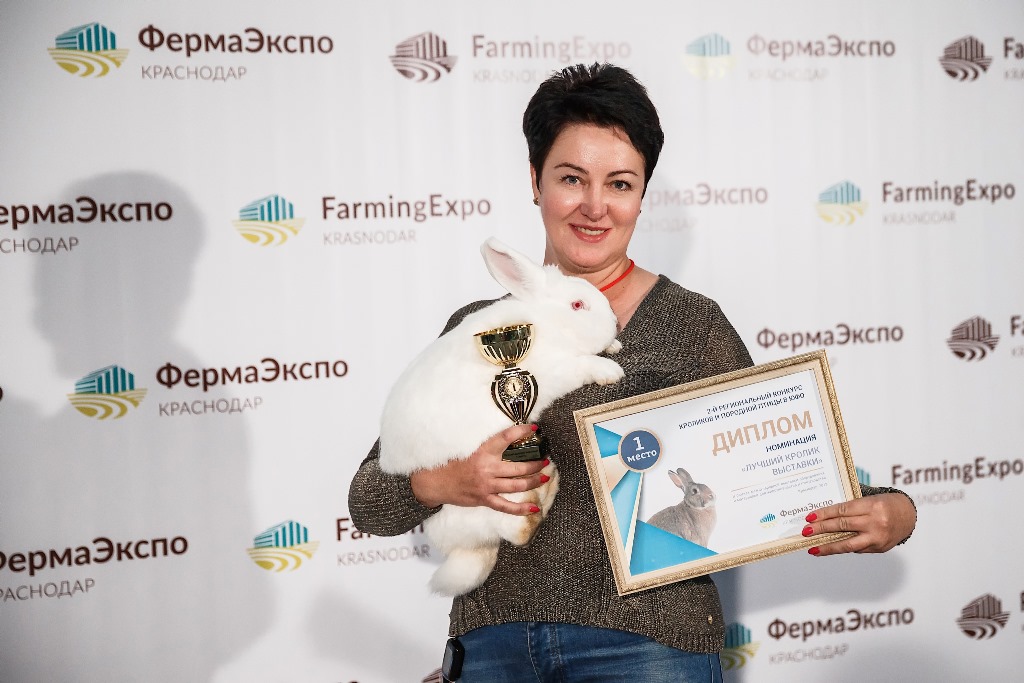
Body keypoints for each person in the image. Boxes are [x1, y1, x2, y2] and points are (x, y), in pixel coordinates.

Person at [348, 63, 917, 682]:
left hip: (649, 650)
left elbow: (770, 468)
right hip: (495, 647)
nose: (595, 207)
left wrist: (891, 511)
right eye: (572, 178)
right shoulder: (480, 327)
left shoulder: (690, 323)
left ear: (641, 196)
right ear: (535, 181)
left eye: (619, 184)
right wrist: (446, 480)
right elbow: (369, 503)